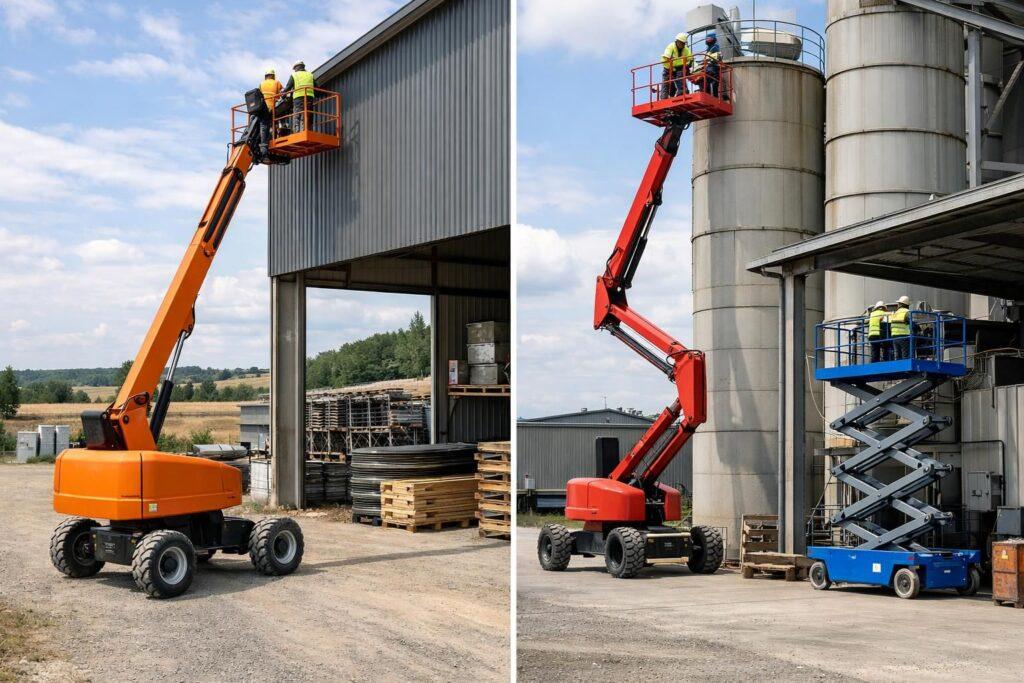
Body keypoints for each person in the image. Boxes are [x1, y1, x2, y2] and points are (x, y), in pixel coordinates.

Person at [285, 61, 316, 132]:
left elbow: (288, 87)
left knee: (297, 115)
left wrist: (283, 95)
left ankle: (297, 132)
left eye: (295, 68)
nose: (295, 70)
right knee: (307, 114)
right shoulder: (310, 75)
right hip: (309, 97)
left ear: (297, 67)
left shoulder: (294, 75)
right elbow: (316, 86)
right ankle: (307, 130)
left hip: (298, 98)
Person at [661, 33, 693, 99]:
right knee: (667, 83)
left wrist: (687, 66)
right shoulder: (671, 46)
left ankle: (683, 92)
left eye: (684, 43)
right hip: (668, 68)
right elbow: (667, 57)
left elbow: (690, 59)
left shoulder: (685, 49)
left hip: (678, 68)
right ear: (677, 41)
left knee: (680, 77)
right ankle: (664, 98)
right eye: (681, 43)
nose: (683, 45)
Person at [258, 67, 282, 154]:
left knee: (262, 125)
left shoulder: (261, 84)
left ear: (266, 76)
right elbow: (282, 94)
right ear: (273, 76)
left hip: (261, 107)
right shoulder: (276, 83)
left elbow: (259, 94)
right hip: (272, 107)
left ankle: (262, 142)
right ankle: (270, 141)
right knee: (271, 124)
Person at [700, 31, 722, 97]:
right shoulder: (709, 48)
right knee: (706, 81)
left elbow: (715, 57)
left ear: (713, 39)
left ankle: (713, 96)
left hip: (714, 67)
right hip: (709, 68)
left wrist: (706, 59)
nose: (707, 40)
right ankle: (708, 95)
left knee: (713, 83)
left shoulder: (715, 47)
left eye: (709, 38)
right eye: (707, 39)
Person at [890, 295, 912, 360]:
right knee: (905, 354)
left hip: (894, 336)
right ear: (907, 305)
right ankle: (905, 369)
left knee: (897, 355)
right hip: (903, 336)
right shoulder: (907, 312)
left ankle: (898, 368)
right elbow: (911, 322)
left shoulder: (895, 313)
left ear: (900, 304)